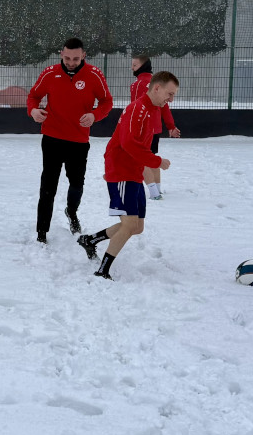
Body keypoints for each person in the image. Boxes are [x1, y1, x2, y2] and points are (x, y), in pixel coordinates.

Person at [76, 71, 179, 279]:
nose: (171, 99)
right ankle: (102, 271)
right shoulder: (137, 109)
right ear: (157, 88)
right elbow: (129, 143)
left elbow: (138, 145)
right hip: (122, 171)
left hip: (133, 172)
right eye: (170, 94)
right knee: (130, 224)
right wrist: (156, 162)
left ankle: (90, 240)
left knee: (137, 227)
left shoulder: (150, 109)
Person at [27, 37, 114, 243]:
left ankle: (71, 212)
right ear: (61, 54)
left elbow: (106, 101)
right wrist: (33, 111)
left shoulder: (94, 74)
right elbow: (33, 96)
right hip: (52, 138)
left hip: (78, 141)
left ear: (83, 55)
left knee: (76, 184)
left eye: (76, 59)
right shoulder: (50, 73)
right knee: (48, 185)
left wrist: (94, 115)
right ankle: (42, 231)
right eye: (67, 58)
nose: (71, 62)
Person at [130, 54, 180, 199]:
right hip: (155, 129)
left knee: (142, 160)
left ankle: (154, 193)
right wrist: (171, 126)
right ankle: (157, 190)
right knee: (152, 157)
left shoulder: (137, 85)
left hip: (142, 128)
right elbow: (165, 107)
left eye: (134, 65)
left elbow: (135, 107)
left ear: (143, 66)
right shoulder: (158, 84)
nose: (132, 68)